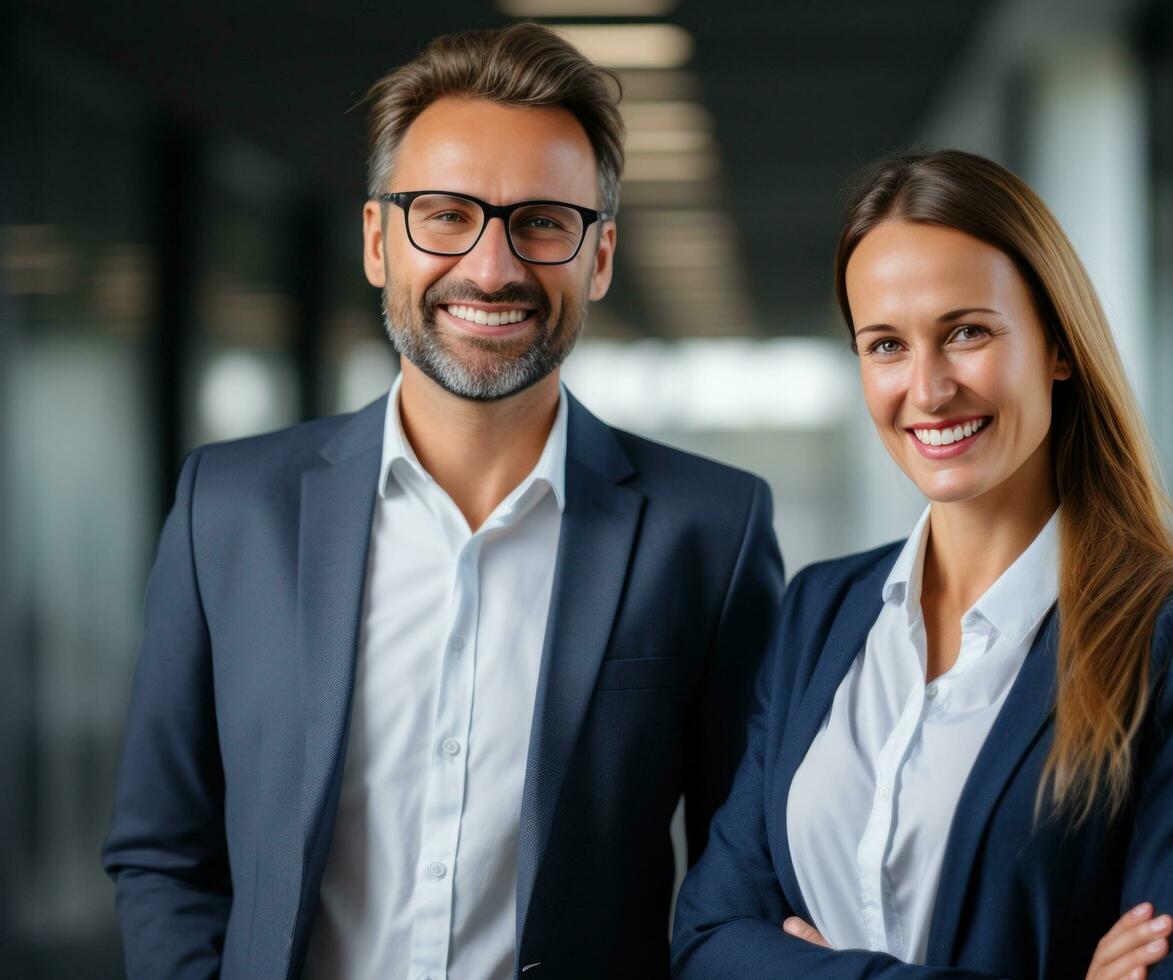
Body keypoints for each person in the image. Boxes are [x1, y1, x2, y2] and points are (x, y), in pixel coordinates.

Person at [102, 24, 783, 980]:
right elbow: (164, 850)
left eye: (543, 220)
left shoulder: (709, 530)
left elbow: (737, 877)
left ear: (601, 256)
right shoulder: (231, 507)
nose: (493, 268)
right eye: (446, 215)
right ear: (379, 240)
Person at [671, 150, 1173, 979]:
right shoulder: (821, 611)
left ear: (1059, 345)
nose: (929, 387)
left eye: (967, 333)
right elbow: (706, 941)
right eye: (885, 345)